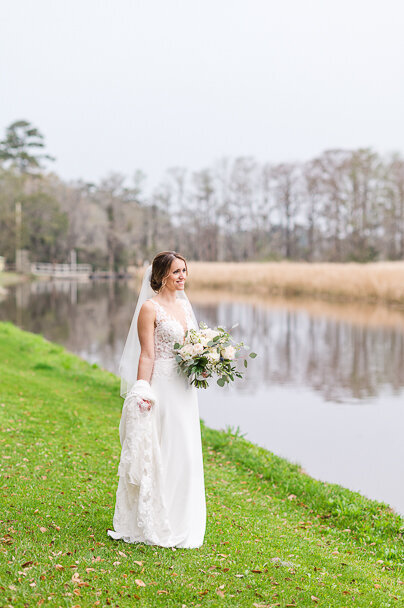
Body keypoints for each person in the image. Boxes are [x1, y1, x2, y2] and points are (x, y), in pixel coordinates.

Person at [107, 251, 206, 548]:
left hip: (184, 389)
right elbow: (147, 354)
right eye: (176, 272)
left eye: (185, 271)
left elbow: (193, 347)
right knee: (163, 449)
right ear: (161, 275)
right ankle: (156, 517)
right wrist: (142, 390)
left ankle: (182, 518)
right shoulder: (149, 309)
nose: (182, 277)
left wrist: (203, 365)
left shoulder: (186, 308)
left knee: (186, 450)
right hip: (162, 385)